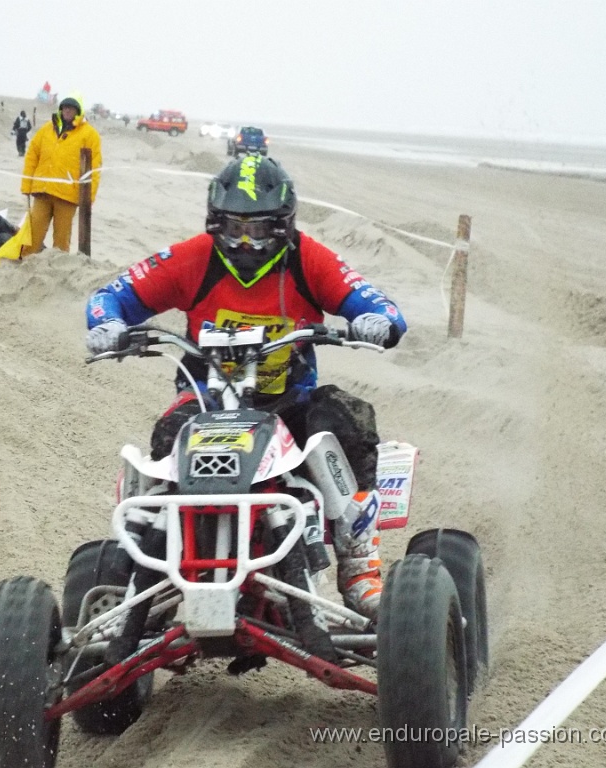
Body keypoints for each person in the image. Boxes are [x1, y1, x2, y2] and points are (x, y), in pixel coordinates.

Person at [85, 155, 408, 660]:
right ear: (216, 222)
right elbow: (113, 295)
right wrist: (106, 323)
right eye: (235, 226)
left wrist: (375, 321)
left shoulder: (309, 260)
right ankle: (142, 573)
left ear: (283, 225)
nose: (245, 241)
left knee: (343, 421)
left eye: (258, 228)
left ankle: (357, 563)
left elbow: (380, 306)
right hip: (203, 401)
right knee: (166, 439)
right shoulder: (192, 258)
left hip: (289, 403)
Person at [20, 93, 102, 254]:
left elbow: (94, 169)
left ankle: (58, 270)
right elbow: (32, 156)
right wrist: (26, 185)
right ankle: (26, 262)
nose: (67, 111)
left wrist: (87, 199)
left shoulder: (90, 134)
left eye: (71, 108)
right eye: (65, 107)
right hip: (42, 191)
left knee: (62, 239)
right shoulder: (46, 129)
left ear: (78, 111)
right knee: (33, 233)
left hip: (67, 196)